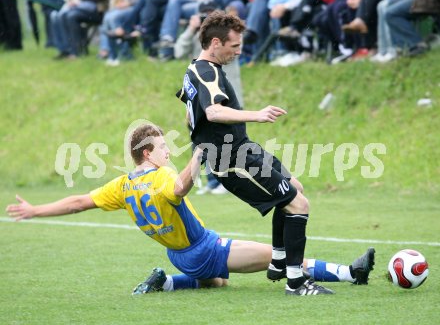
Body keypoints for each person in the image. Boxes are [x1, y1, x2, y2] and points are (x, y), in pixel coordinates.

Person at [6, 123, 376, 295]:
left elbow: (77, 202)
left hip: (178, 256)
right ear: (147, 153)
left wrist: (36, 210)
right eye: (163, 147)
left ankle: (165, 282)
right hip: (204, 249)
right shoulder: (162, 177)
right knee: (283, 258)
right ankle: (351, 273)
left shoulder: (123, 184)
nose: (169, 151)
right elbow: (180, 187)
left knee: (220, 283)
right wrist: (200, 152)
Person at [176, 11, 334, 295]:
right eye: (234, 46)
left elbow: (191, 115)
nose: (239, 51)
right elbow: (212, 111)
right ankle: (296, 282)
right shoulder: (207, 71)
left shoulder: (194, 69)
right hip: (233, 159)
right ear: (215, 43)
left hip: (243, 149)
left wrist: (200, 140)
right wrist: (256, 115)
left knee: (295, 188)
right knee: (299, 205)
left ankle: (279, 260)